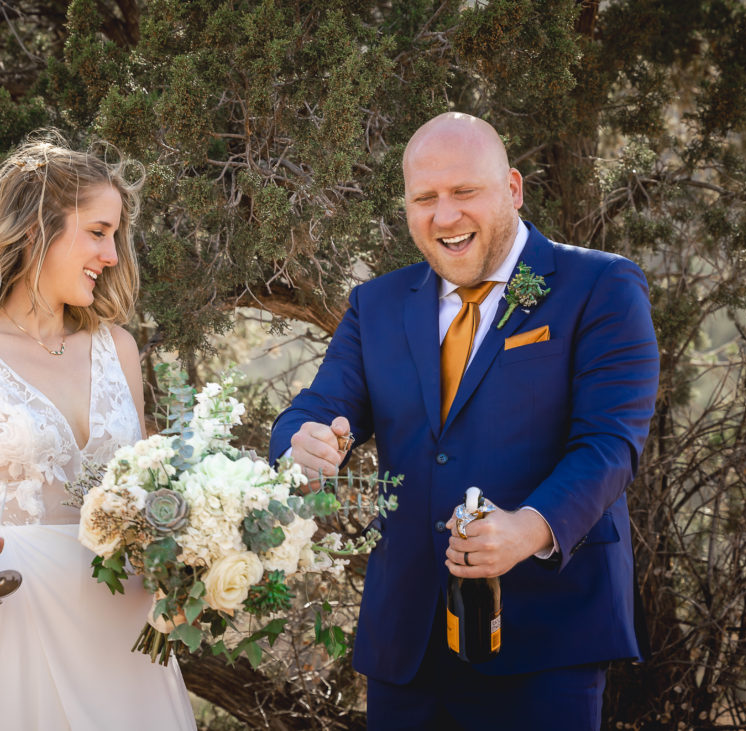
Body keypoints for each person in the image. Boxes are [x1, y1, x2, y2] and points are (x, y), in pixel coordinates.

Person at [268, 113, 659, 730]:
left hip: (545, 642)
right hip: (407, 647)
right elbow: (320, 406)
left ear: (512, 189)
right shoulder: (378, 304)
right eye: (425, 198)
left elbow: (610, 443)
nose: (444, 216)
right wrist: (302, 445)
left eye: (464, 192)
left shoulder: (601, 286)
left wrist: (529, 529)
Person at [0, 134, 196, 730]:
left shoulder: (117, 349)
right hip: (14, 628)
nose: (112, 256)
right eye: (98, 233)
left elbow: (146, 499)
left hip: (129, 640)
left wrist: (192, 561)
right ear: (35, 231)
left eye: (115, 237)